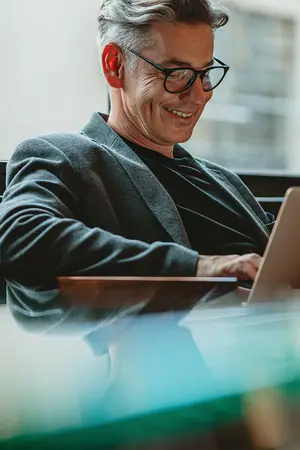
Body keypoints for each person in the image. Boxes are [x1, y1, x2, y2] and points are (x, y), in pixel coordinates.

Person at [0, 0, 273, 286]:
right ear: (115, 66)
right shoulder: (62, 156)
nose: (198, 97)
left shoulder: (225, 182)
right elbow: (21, 236)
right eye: (176, 74)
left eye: (203, 74)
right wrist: (198, 267)